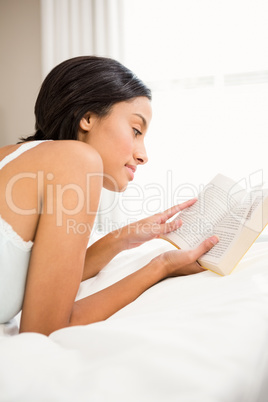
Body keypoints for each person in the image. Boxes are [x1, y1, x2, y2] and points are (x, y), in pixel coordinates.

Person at [0, 56, 218, 336]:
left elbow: (39, 280)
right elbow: (45, 328)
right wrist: (159, 268)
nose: (143, 155)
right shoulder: (78, 159)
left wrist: (122, 238)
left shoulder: (10, 155)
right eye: (136, 130)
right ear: (88, 117)